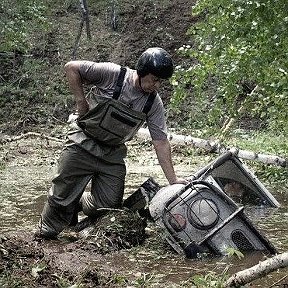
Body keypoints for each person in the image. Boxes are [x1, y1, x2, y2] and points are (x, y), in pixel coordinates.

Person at [36, 47, 188, 239]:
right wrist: (80, 102)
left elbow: (160, 141)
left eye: (160, 81)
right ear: (142, 71)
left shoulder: (153, 103)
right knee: (60, 199)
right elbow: (71, 68)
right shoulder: (113, 74)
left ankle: (78, 201)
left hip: (112, 153)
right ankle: (45, 234)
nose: (156, 85)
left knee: (108, 207)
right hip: (82, 141)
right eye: (154, 79)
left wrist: (173, 180)